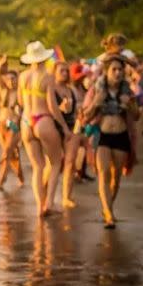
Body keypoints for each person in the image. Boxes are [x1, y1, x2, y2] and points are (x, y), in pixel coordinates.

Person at [83, 55, 139, 228]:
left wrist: (129, 105)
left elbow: (136, 116)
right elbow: (85, 116)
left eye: (120, 69)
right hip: (103, 136)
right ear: (106, 72)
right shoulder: (97, 90)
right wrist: (95, 104)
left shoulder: (127, 91)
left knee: (116, 178)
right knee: (104, 173)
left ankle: (109, 206)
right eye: (113, 69)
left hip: (121, 136)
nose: (117, 72)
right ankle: (108, 214)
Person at [18, 41, 69, 217]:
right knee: (56, 163)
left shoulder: (23, 76)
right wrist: (64, 127)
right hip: (43, 119)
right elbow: (53, 107)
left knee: (37, 167)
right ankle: (50, 203)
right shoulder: (47, 77)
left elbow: (20, 101)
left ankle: (40, 206)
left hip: (26, 121)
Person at [53, 61, 81, 208]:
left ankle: (66, 197)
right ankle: (46, 195)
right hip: (54, 127)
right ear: (54, 72)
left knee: (70, 162)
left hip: (71, 127)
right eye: (61, 71)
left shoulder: (72, 90)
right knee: (53, 165)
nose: (65, 73)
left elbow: (77, 110)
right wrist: (60, 108)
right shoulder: (50, 89)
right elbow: (47, 109)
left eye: (66, 71)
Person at [0, 56, 24, 189]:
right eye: (9, 79)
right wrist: (2, 63)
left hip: (14, 124)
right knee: (11, 154)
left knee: (7, 151)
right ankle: (20, 177)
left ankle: (1, 180)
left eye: (14, 79)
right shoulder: (3, 90)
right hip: (1, 124)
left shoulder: (20, 93)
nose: (12, 81)